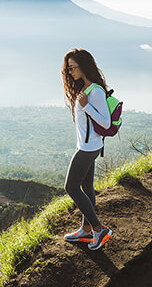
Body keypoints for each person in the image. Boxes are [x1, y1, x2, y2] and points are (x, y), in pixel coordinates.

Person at [62, 48, 113, 251]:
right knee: (86, 187)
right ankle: (85, 229)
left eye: (72, 68)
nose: (70, 72)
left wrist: (87, 106)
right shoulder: (85, 88)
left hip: (88, 148)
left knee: (71, 187)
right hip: (87, 145)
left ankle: (99, 229)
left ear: (83, 67)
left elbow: (106, 123)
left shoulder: (96, 91)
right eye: (68, 69)